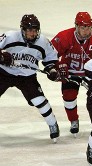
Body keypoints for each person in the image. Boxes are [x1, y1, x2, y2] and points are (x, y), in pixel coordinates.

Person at [51, 12, 92, 137]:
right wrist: (56, 68)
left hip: (89, 74)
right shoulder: (64, 36)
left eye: (88, 27)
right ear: (76, 26)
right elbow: (50, 54)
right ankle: (74, 120)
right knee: (68, 97)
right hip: (70, 73)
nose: (86, 31)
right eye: (83, 27)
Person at [0, 14, 61, 143]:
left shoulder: (43, 42)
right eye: (29, 30)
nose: (32, 33)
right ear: (22, 29)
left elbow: (51, 59)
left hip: (27, 76)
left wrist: (52, 70)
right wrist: (1, 56)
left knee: (39, 100)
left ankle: (53, 124)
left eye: (35, 30)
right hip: (4, 73)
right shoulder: (10, 36)